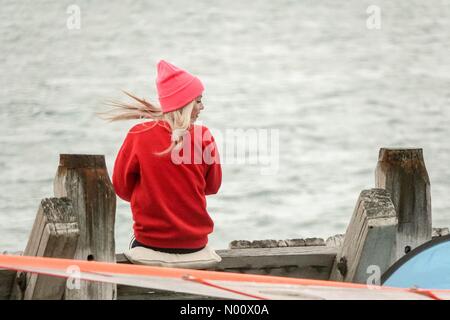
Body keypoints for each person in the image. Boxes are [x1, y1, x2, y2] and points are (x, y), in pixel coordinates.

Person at [100, 60, 222, 269]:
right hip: (195, 246)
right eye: (198, 101)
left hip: (149, 244)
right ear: (185, 104)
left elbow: (121, 188)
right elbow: (212, 187)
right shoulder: (204, 136)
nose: (202, 107)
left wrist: (152, 192)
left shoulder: (138, 135)